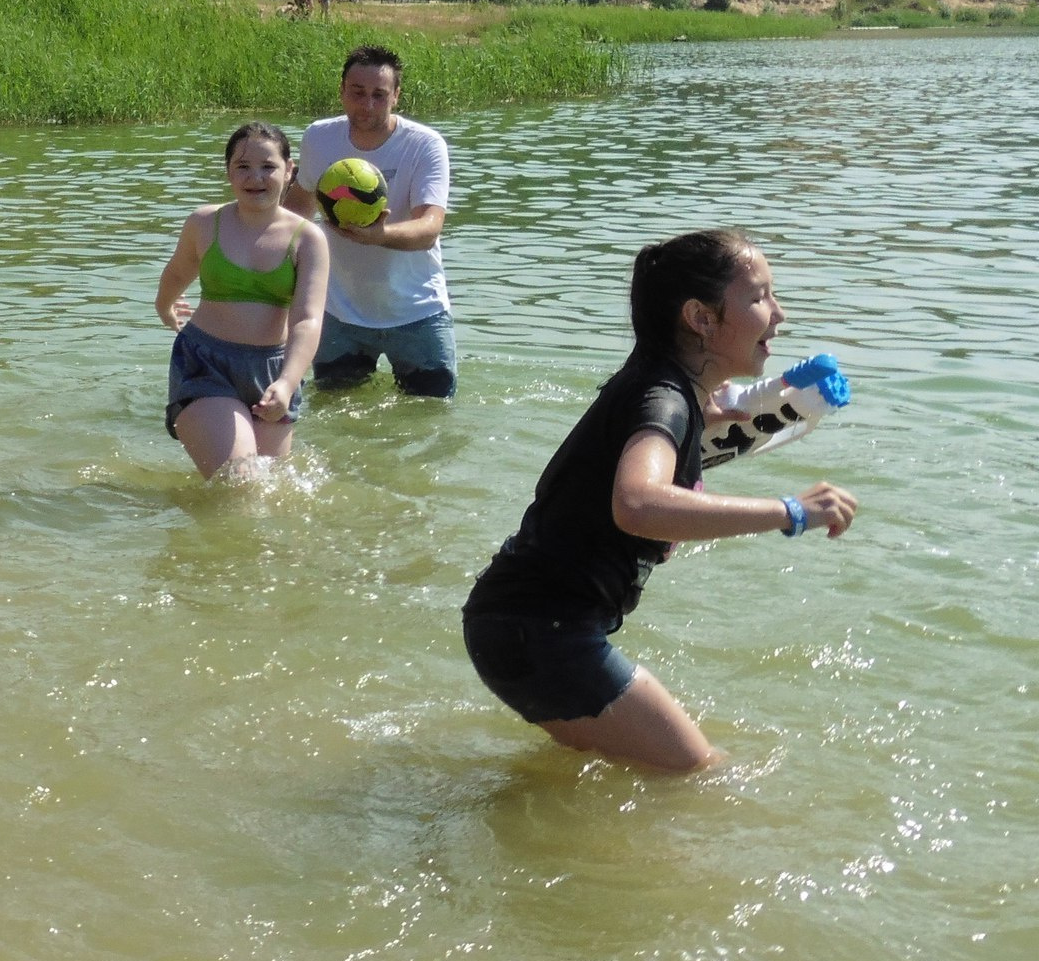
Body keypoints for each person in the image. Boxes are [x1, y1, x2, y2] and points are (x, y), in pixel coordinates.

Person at [461, 230, 857, 772]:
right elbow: (639, 504)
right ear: (700, 317)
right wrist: (789, 511)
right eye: (760, 296)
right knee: (698, 774)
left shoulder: (667, 389)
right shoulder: (664, 400)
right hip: (544, 633)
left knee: (616, 773)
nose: (779, 314)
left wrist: (766, 400)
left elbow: (690, 418)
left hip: (516, 625)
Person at [151, 120, 331, 478]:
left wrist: (288, 382)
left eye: (268, 167)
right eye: (243, 167)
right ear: (228, 172)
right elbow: (176, 273)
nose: (255, 178)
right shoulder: (204, 224)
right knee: (242, 481)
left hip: (273, 371)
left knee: (270, 492)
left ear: (289, 171)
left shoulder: (308, 239)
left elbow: (307, 320)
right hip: (205, 365)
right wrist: (165, 306)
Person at [285, 44, 457, 397]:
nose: (367, 106)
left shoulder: (425, 145)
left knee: (432, 419)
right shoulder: (319, 137)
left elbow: (429, 228)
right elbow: (295, 212)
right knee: (336, 418)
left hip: (417, 311)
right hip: (339, 314)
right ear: (342, 91)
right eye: (357, 93)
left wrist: (378, 235)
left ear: (397, 95)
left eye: (379, 95)